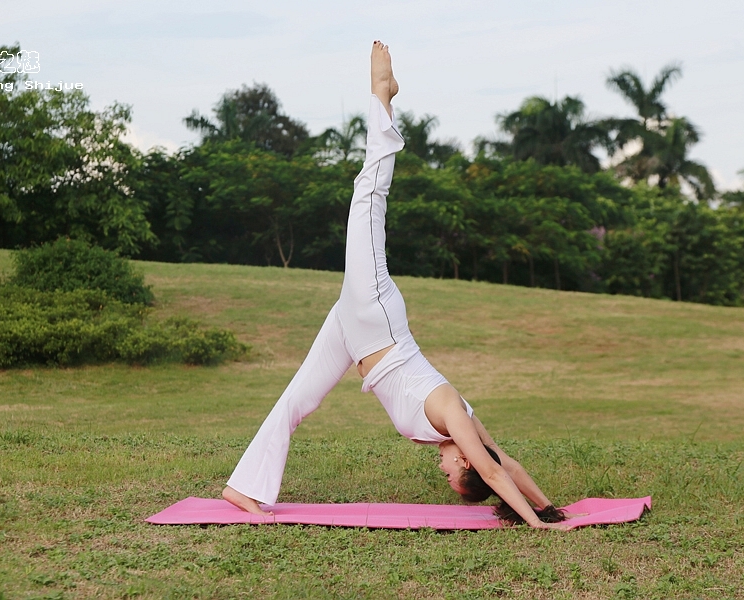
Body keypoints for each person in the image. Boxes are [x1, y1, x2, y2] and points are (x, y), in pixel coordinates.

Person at [223, 41, 569, 530]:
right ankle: (382, 98)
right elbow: (493, 469)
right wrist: (536, 527)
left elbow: (504, 461)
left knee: (298, 399)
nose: (444, 472)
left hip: (353, 330)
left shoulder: (468, 432)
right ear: (464, 463)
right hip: (377, 319)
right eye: (452, 476)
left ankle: (242, 487)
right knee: (368, 200)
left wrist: (548, 506)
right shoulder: (454, 416)